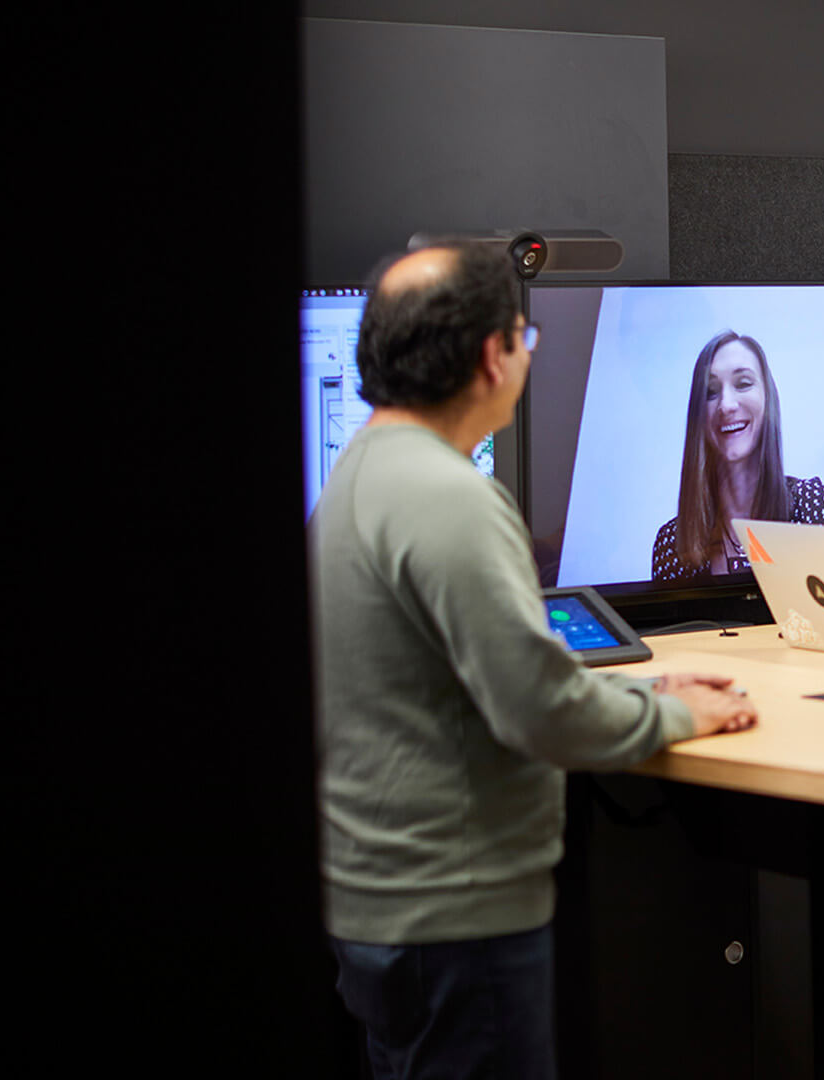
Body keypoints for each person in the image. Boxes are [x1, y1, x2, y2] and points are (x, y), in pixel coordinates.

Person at [310, 243, 759, 1080]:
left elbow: (450, 685)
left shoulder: (357, 475)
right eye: (526, 337)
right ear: (494, 355)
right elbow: (538, 710)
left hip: (381, 905)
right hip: (458, 914)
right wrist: (675, 713)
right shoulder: (451, 498)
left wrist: (647, 686)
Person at [652, 330, 824, 579]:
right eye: (710, 392)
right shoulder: (672, 543)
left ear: (768, 400)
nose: (726, 405)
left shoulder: (814, 506)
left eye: (743, 384)